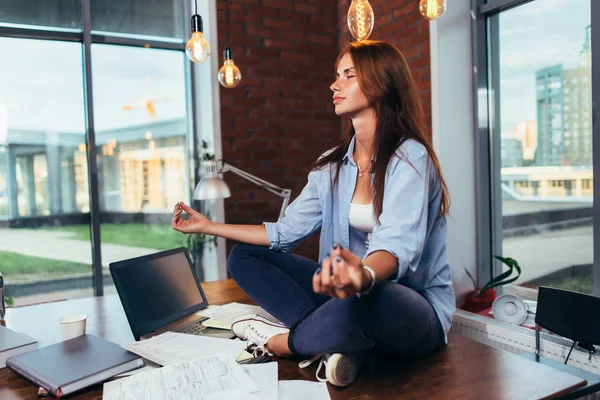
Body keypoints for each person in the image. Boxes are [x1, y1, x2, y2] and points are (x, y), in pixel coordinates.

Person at [172, 40, 455, 387]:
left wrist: (362, 274)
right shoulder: (332, 166)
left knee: (372, 296)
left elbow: (397, 245)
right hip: (343, 295)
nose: (334, 85)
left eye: (348, 75)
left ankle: (294, 342)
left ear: (381, 82)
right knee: (245, 255)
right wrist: (208, 225)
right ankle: (338, 342)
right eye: (336, 76)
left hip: (408, 306)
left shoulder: (410, 157)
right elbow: (285, 232)